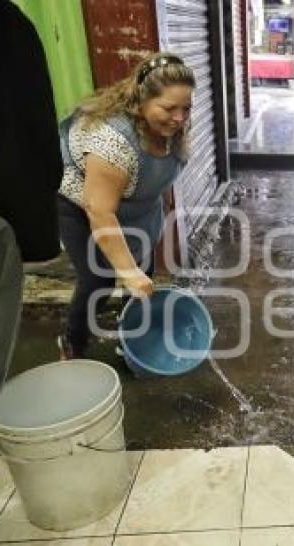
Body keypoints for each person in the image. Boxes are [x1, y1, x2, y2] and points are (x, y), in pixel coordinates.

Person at [56, 53, 195, 360]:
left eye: (186, 108)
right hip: (83, 203)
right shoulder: (114, 142)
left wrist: (136, 272)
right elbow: (100, 211)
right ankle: (73, 344)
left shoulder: (175, 129)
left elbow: (161, 176)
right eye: (169, 108)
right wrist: (126, 271)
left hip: (136, 206)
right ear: (141, 102)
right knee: (99, 279)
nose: (180, 117)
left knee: (143, 271)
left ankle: (134, 340)